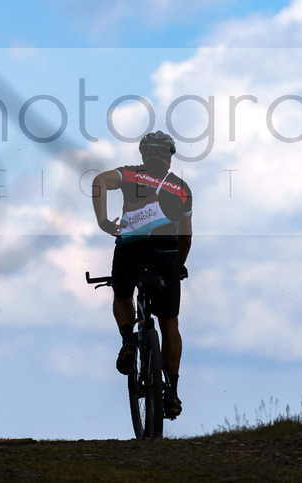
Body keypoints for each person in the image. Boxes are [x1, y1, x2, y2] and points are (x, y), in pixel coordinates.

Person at [91, 130, 192, 419]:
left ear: (143, 155)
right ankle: (171, 393)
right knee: (170, 323)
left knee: (122, 294)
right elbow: (186, 238)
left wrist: (103, 221)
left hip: (130, 249)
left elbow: (99, 181)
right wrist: (179, 265)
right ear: (170, 158)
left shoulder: (130, 174)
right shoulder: (182, 189)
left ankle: (128, 342)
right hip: (167, 253)